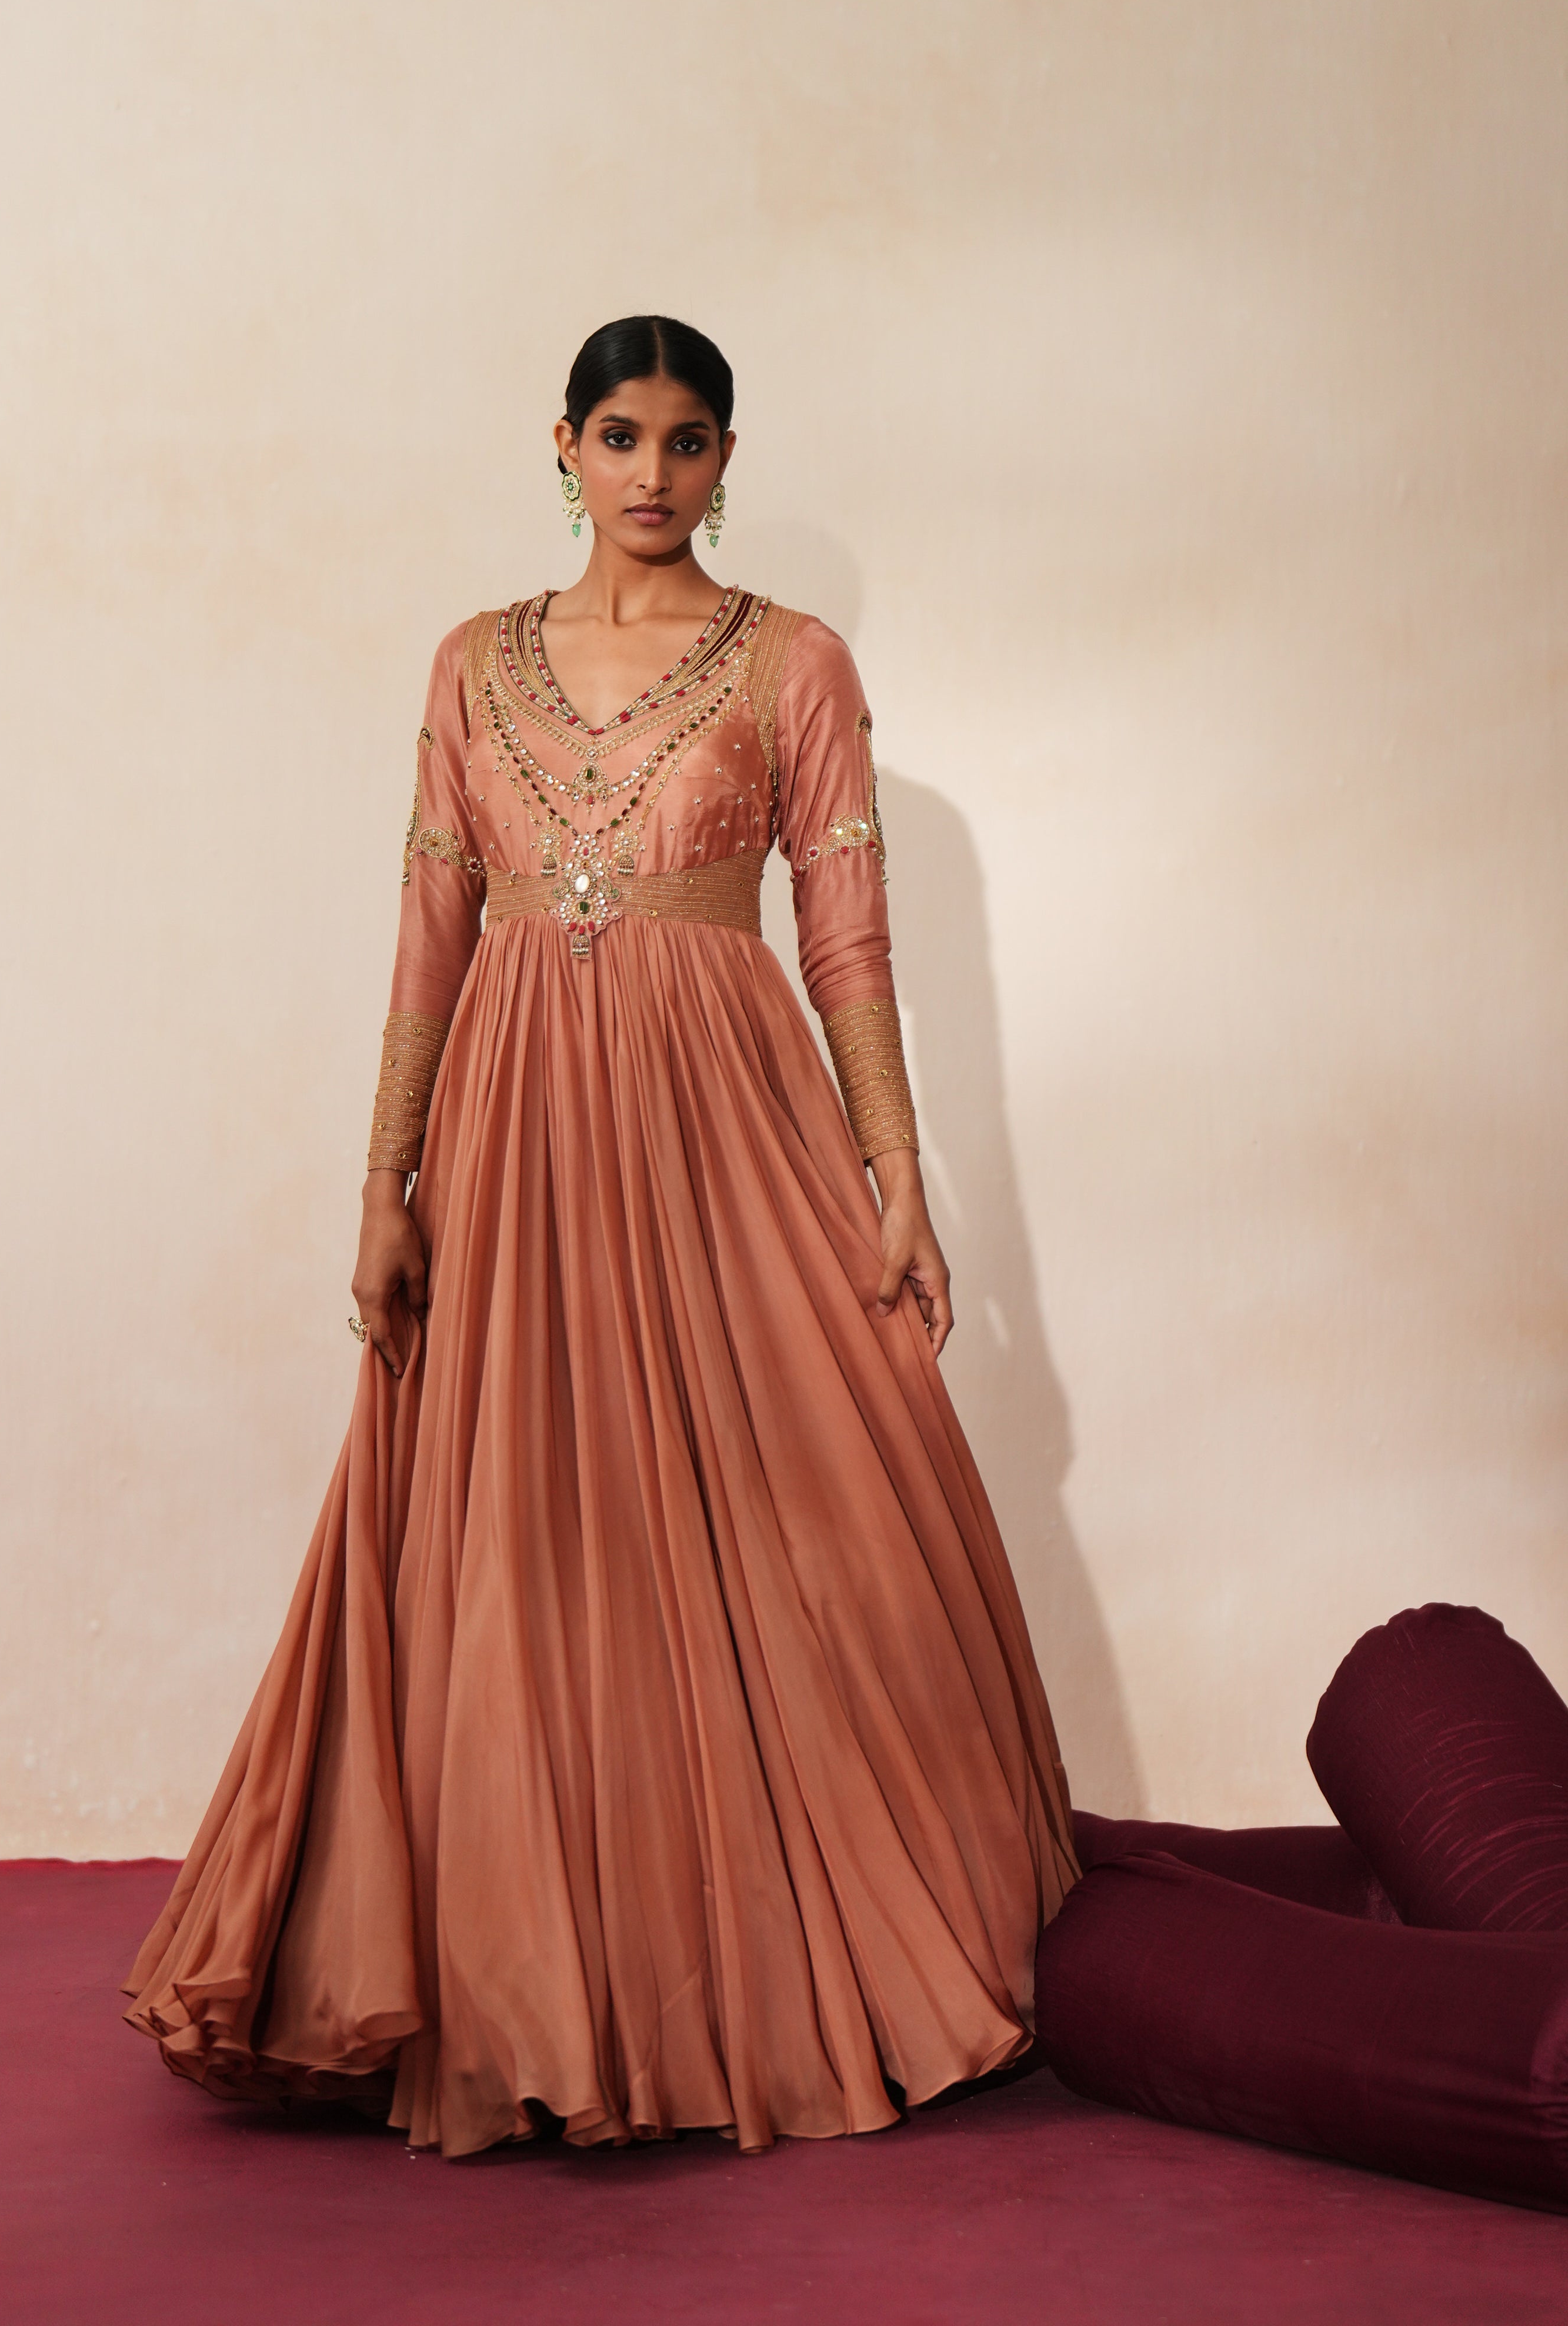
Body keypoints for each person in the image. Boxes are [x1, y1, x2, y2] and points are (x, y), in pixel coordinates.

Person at [125, 316, 1077, 2157]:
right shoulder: (470, 663)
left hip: (726, 1121)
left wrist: (897, 1172)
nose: (655, 474)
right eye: (621, 436)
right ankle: (523, 1982)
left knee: (795, 1488)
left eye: (692, 441)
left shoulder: (797, 661)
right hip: (511, 1127)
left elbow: (850, 944)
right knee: (521, 1518)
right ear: (558, 445)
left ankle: (771, 1968)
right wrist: (381, 1186)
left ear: (733, 460)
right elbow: (425, 935)